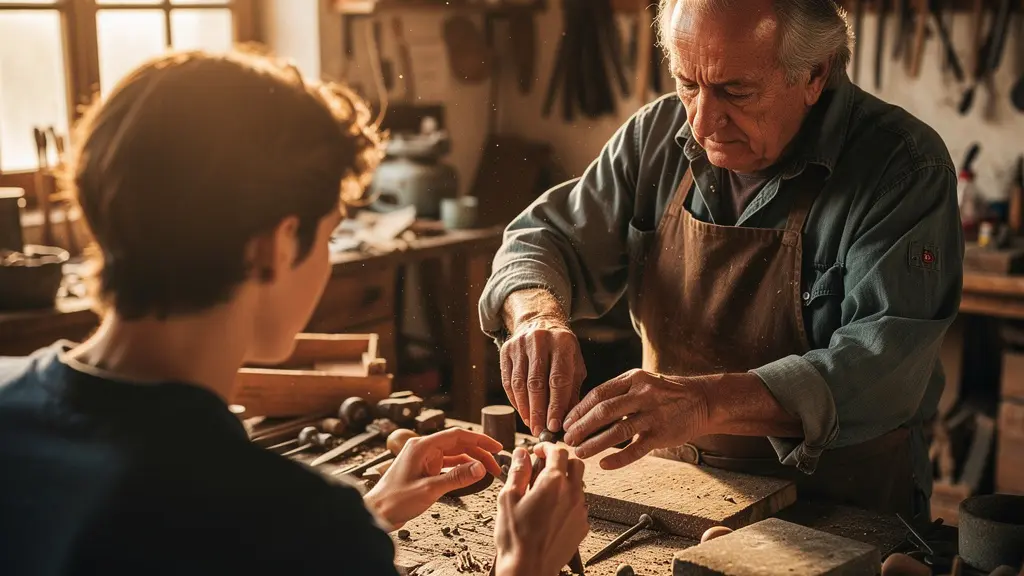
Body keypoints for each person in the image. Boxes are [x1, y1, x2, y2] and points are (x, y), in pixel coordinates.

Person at [0, 50, 588, 576]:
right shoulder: (293, 524)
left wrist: (368, 512)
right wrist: (524, 562)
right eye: (330, 235)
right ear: (276, 246)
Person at [479, 0, 963, 519]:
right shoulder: (656, 138)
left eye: (736, 91)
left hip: (837, 506)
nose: (703, 121)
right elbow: (541, 237)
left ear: (815, 73)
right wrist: (535, 316)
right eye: (688, 83)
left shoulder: (903, 168)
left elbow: (885, 365)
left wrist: (705, 404)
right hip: (673, 489)